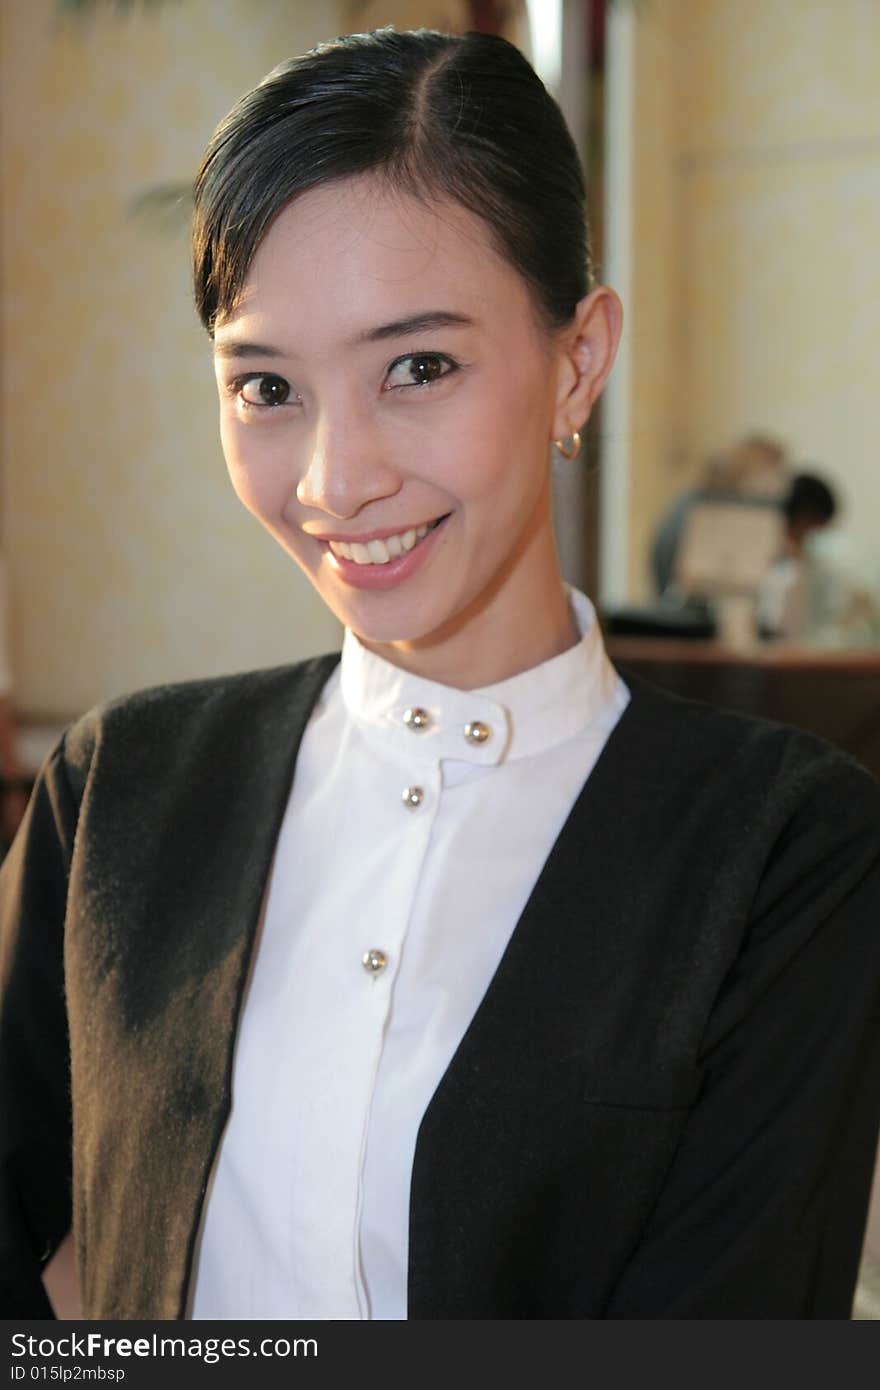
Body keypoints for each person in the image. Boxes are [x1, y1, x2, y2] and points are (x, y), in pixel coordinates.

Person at [2, 28, 880, 1322]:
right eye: (266, 386)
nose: (333, 478)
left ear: (577, 361)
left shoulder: (783, 852)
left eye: (418, 366)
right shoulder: (120, 785)